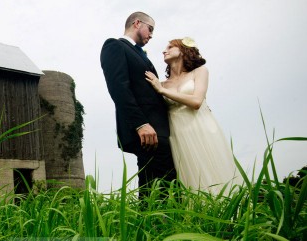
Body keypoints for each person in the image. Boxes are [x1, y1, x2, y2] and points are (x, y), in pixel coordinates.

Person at [145, 37, 242, 195]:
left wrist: (161, 91)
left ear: (183, 50)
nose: (164, 50)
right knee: (191, 177)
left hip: (202, 127)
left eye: (170, 47)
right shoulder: (161, 83)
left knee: (213, 169)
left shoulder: (200, 71)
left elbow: (197, 101)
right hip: (179, 134)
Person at [100, 11, 176, 195]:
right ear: (137, 23)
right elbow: (119, 88)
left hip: (158, 128)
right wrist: (140, 124)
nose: (151, 35)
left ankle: (163, 222)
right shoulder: (115, 46)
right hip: (146, 129)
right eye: (150, 29)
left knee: (164, 182)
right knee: (157, 186)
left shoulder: (140, 54)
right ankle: (155, 223)